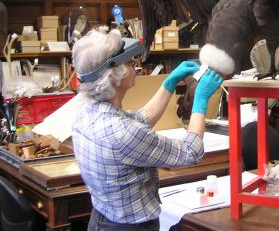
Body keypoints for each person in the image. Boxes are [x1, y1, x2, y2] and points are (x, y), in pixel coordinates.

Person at [71, 29, 222, 230]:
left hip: (101, 221)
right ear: (114, 76)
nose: (137, 67)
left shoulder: (86, 112)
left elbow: (141, 119)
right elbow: (190, 152)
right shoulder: (122, 132)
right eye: (131, 63)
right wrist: (200, 98)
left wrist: (169, 83)